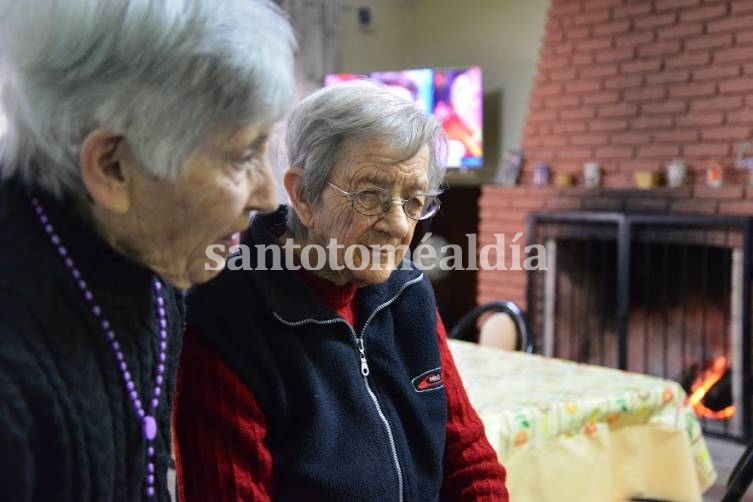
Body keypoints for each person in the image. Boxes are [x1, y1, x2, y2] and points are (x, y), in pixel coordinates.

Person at [0, 1, 295, 500]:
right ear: (114, 166)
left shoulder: (154, 256)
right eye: (244, 155)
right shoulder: (14, 379)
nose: (269, 196)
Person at [174, 80, 509, 501]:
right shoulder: (225, 317)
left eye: (414, 200)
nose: (401, 225)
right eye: (370, 195)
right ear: (303, 195)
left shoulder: (407, 290)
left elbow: (468, 461)